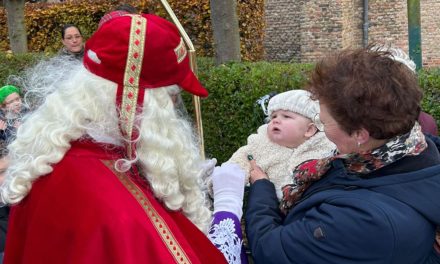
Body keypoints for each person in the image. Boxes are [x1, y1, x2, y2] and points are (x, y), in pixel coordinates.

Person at [0, 13, 245, 263]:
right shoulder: (117, 213)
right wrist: (228, 209)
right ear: (137, 102)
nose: (174, 113)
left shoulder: (54, 154)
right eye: (171, 98)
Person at [243, 45, 440, 263]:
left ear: (359, 134)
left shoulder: (366, 222)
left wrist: (262, 189)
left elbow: (270, 249)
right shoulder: (413, 150)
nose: (321, 127)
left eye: (324, 122)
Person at [227, 89, 335, 200]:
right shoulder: (259, 145)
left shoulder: (325, 149)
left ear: (309, 129)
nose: (276, 120)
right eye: (273, 116)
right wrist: (224, 185)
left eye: (286, 116)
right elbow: (234, 168)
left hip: (310, 208)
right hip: (268, 205)